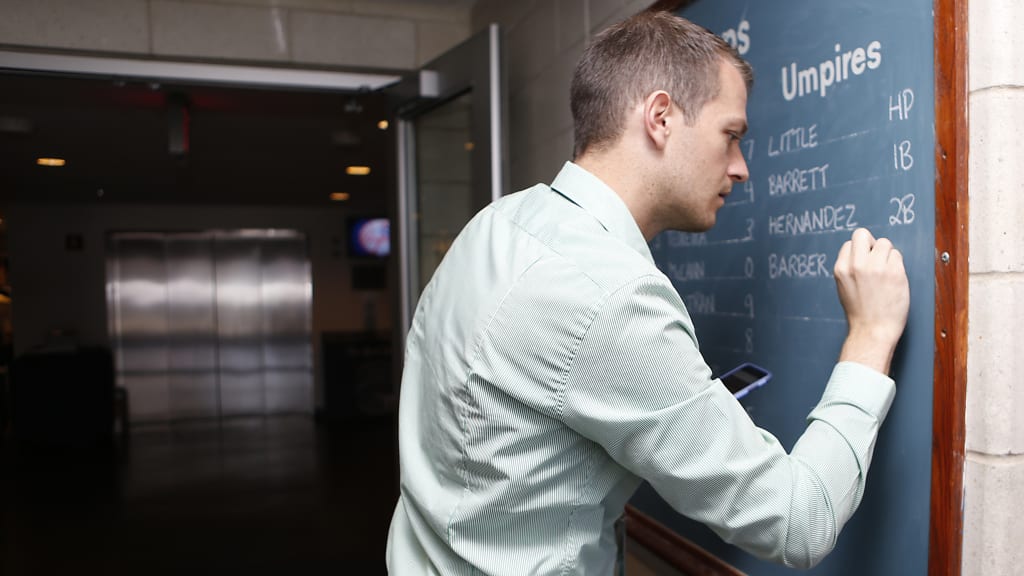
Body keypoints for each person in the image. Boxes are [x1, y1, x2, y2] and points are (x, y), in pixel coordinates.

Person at [386, 9, 910, 575]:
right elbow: (799, 522)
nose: (741, 168)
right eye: (730, 135)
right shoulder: (609, 299)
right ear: (661, 118)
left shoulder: (496, 225)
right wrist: (871, 335)